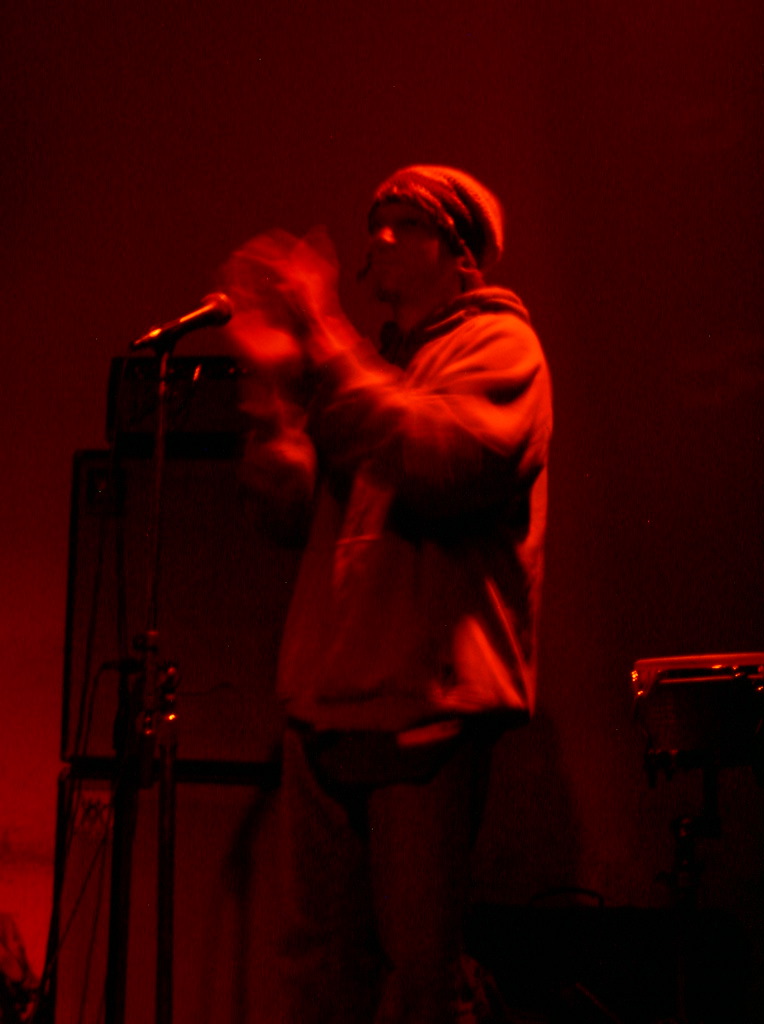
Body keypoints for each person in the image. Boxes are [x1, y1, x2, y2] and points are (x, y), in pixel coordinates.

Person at [225, 165, 552, 1024]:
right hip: (327, 706)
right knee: (317, 972)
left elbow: (444, 462)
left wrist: (323, 335)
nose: (378, 238)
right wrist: (270, 398)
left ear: (461, 253)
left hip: (421, 709)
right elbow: (287, 513)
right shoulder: (374, 369)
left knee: (417, 979)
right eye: (375, 222)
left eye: (405, 223)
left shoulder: (501, 347)